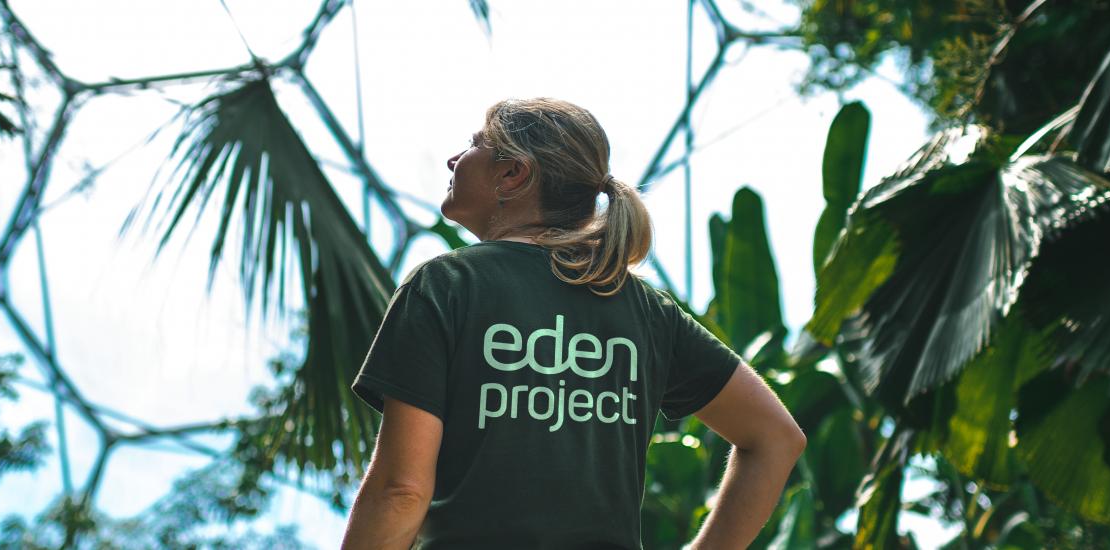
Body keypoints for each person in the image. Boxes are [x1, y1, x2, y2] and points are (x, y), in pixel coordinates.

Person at [339, 97, 806, 549]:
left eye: (474, 143)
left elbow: (400, 490)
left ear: (512, 173)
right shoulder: (647, 312)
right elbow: (776, 438)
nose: (453, 159)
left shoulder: (446, 285)